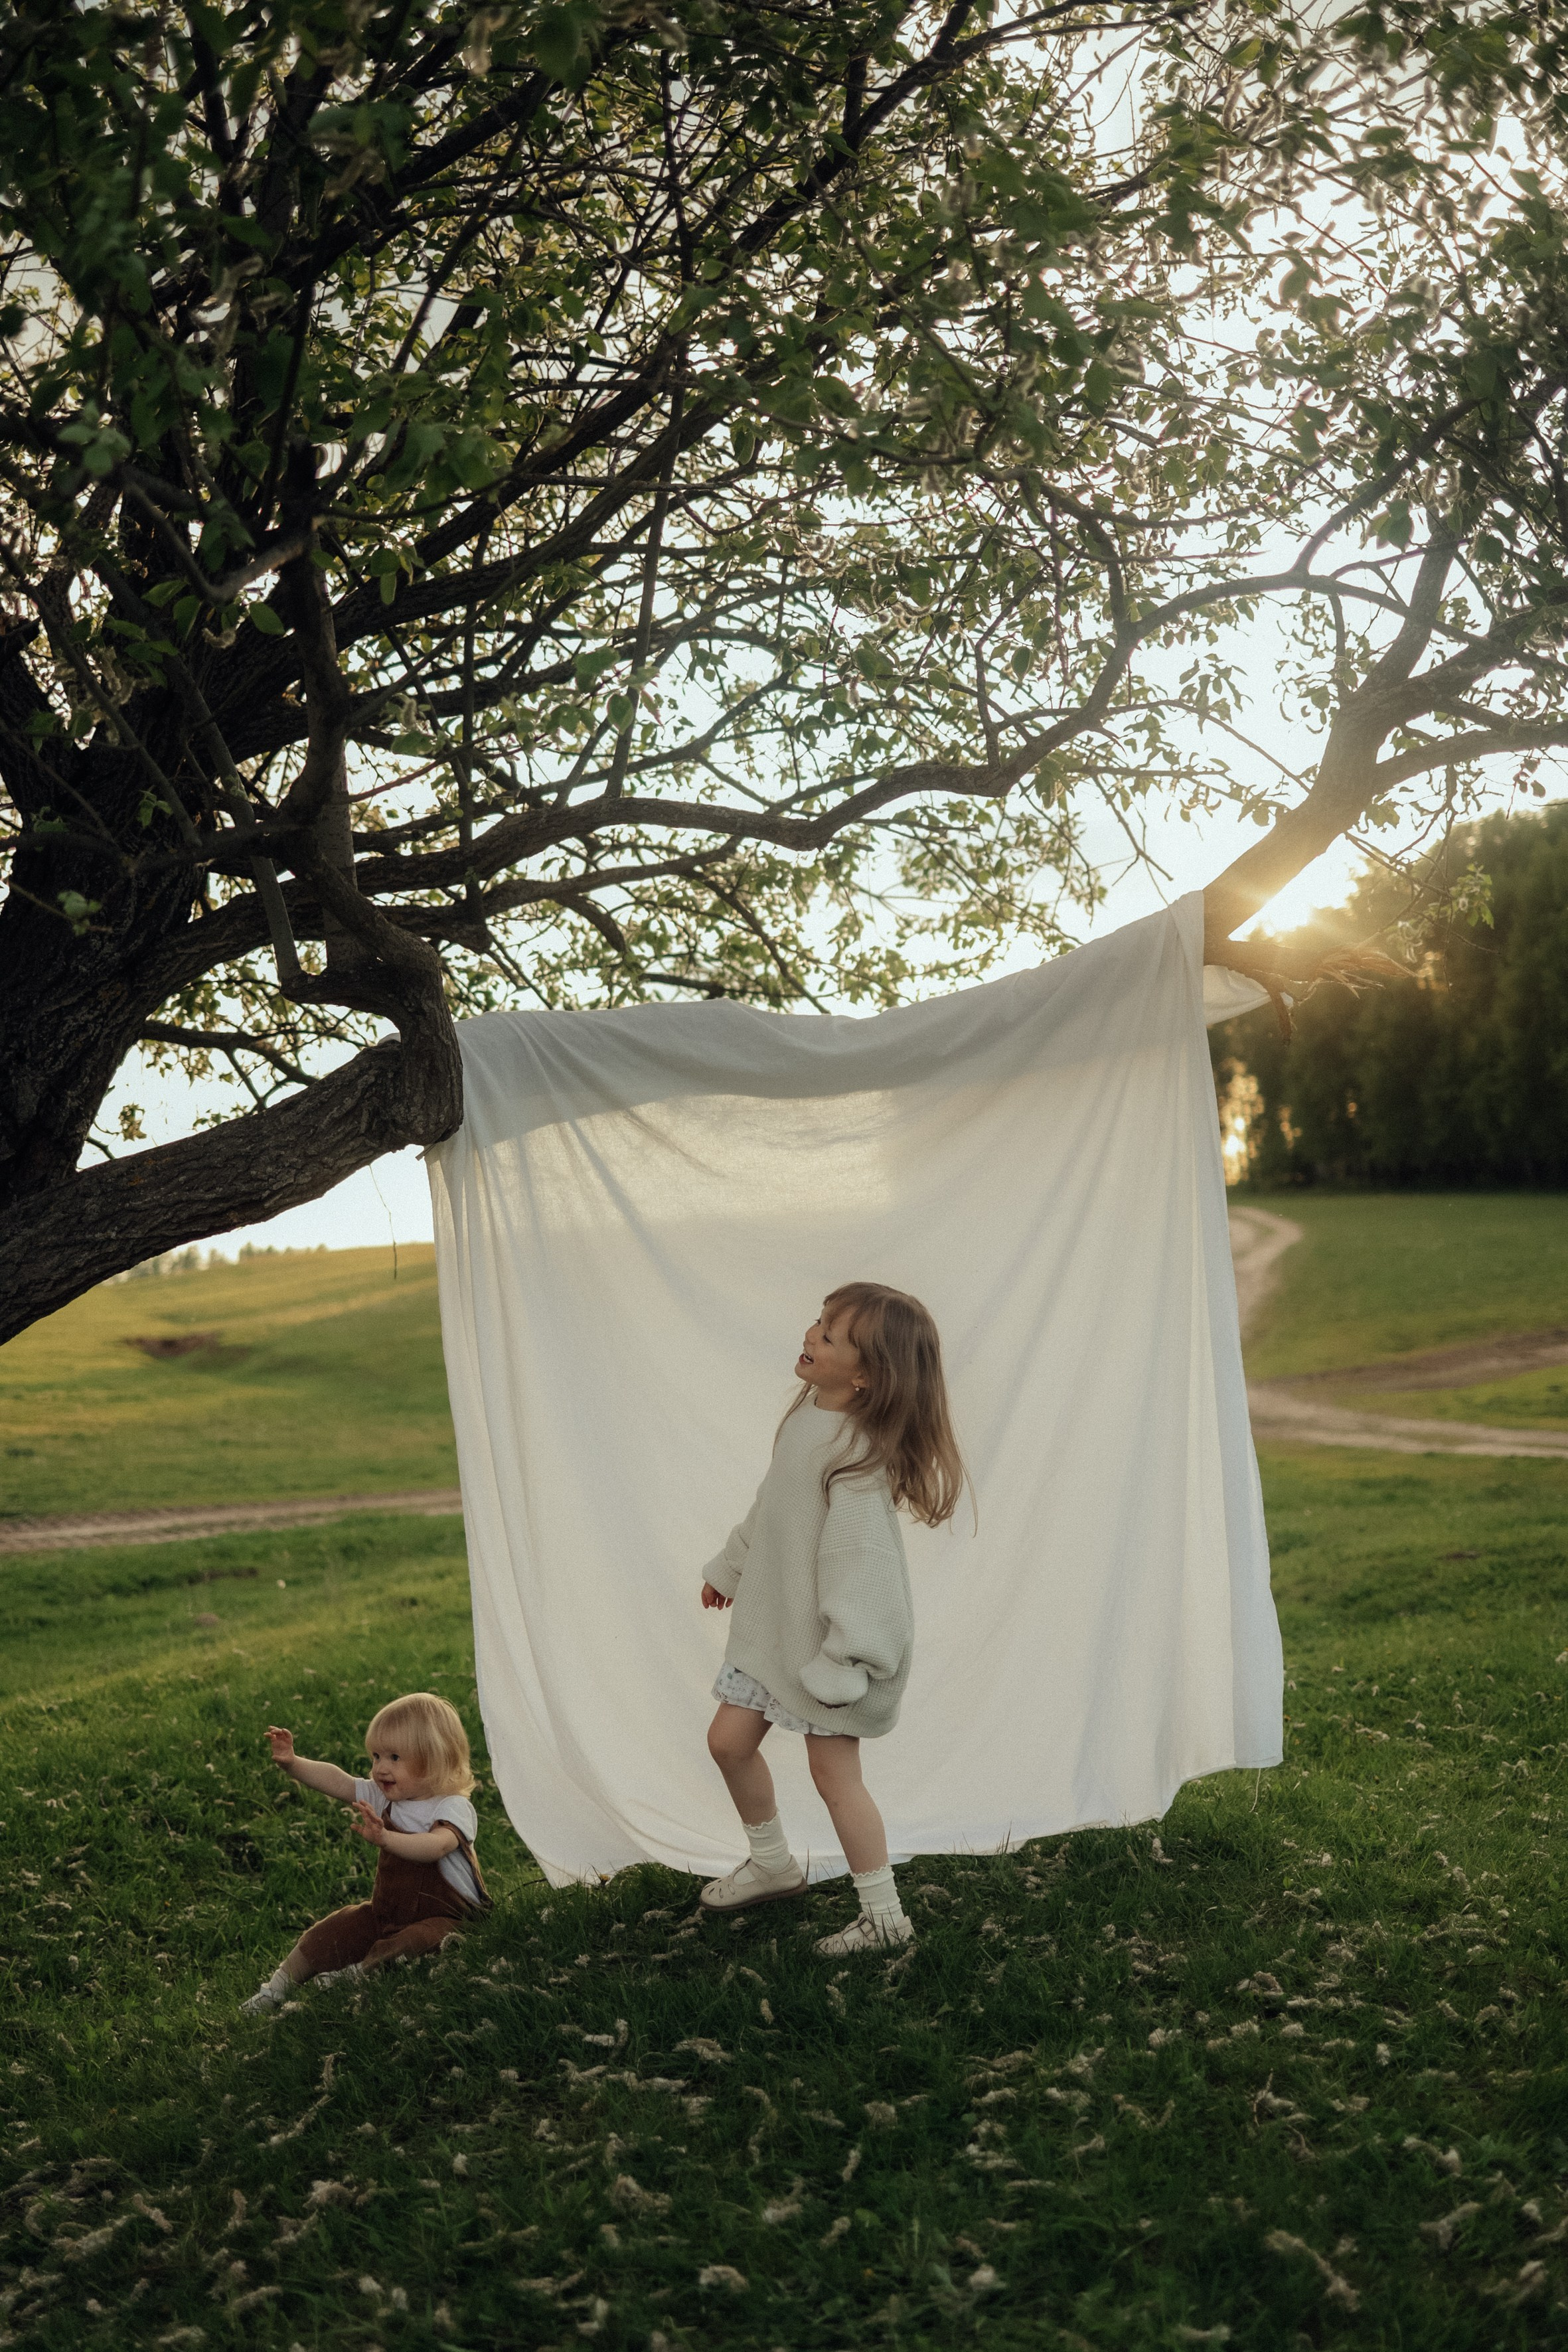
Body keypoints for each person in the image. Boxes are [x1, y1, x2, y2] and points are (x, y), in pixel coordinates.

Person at [700, 1281, 965, 1956]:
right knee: (728, 1743)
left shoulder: (856, 1462)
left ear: (868, 1376)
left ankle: (883, 1917)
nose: (810, 1335)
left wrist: (846, 1660)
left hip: (828, 1653)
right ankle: (772, 1864)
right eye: (818, 1323)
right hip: (774, 1632)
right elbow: (772, 1507)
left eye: (829, 1334)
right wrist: (730, 1570)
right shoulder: (806, 1422)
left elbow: (864, 1569)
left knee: (834, 1779)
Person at [241, 1689, 490, 2015]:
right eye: (376, 1757)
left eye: (394, 1758)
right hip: (388, 1914)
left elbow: (436, 1846)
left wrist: (387, 1839)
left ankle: (357, 1977)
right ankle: (276, 1989)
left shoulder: (452, 1807)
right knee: (331, 1932)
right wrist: (293, 1763)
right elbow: (340, 1782)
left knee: (417, 1942)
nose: (380, 1768)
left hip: (450, 1918)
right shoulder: (386, 1797)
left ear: (434, 1760)